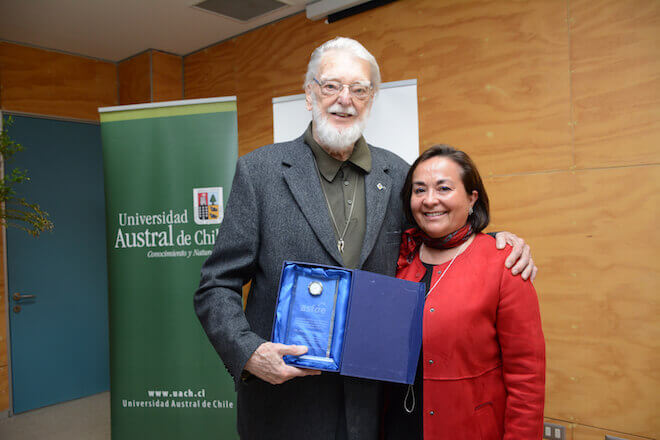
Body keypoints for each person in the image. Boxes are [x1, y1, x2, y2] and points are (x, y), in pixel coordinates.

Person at [194, 37, 536, 440]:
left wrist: (495, 239)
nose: (345, 99)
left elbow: (437, 230)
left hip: (373, 407)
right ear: (308, 94)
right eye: (331, 86)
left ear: (371, 100)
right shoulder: (260, 173)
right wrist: (250, 353)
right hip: (284, 406)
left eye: (359, 89)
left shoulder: (398, 176)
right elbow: (216, 285)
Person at [385, 145, 545, 439]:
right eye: (419, 190)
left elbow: (527, 377)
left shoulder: (505, 263)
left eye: (443, 188)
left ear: (472, 198)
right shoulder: (398, 259)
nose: (430, 200)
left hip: (469, 427)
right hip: (397, 425)